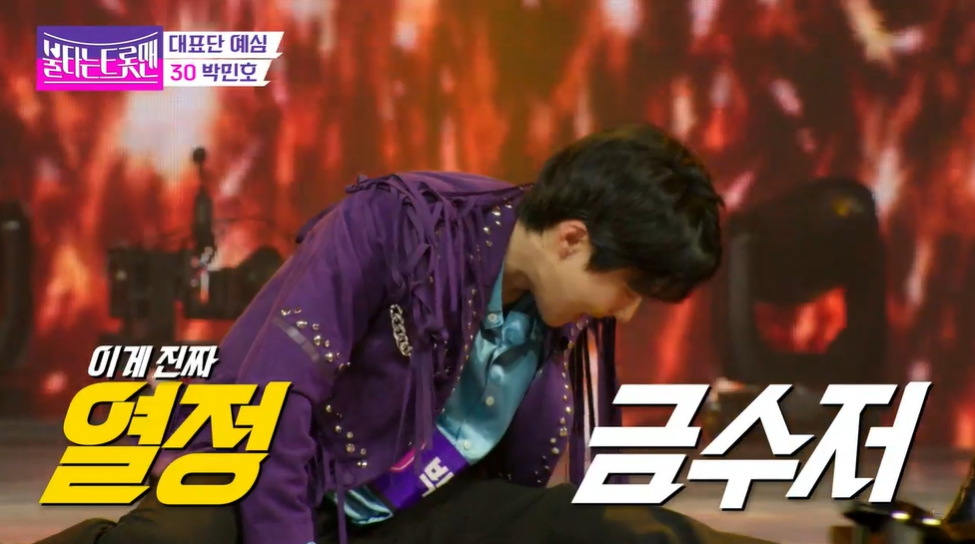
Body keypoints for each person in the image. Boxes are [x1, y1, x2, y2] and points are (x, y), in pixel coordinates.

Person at [39, 124, 760, 544]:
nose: (625, 314)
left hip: (409, 515)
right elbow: (270, 408)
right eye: (628, 289)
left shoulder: (561, 315)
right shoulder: (396, 224)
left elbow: (557, 487)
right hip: (274, 491)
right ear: (571, 239)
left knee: (618, 532)